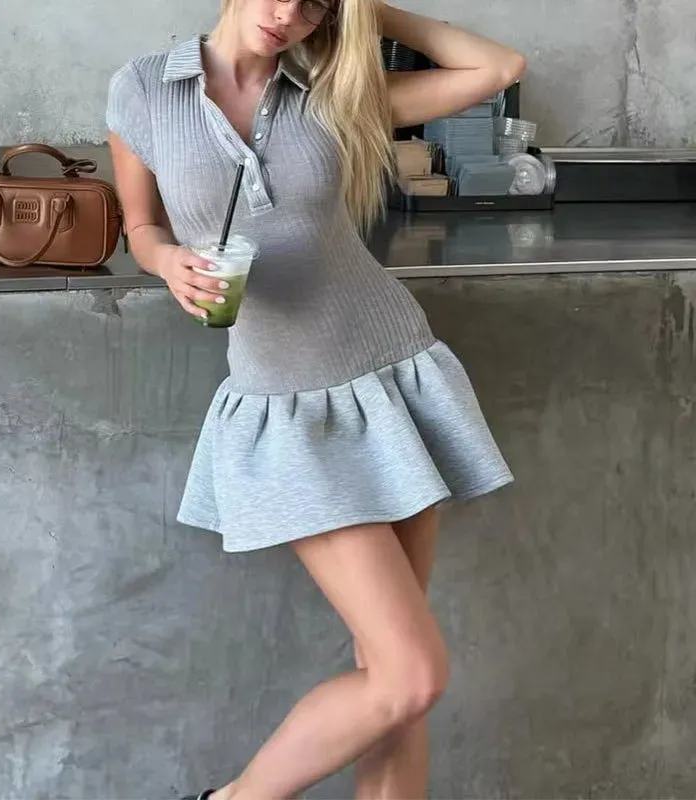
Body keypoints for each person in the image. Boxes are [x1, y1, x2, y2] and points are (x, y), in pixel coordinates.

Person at [106, 0, 524, 796]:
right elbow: (140, 227)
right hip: (287, 405)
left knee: (393, 679)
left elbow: (500, 69)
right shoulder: (145, 89)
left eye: (316, 2)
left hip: (392, 373)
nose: (289, 13)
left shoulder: (335, 91)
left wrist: (369, 11)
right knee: (410, 674)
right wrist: (167, 264)